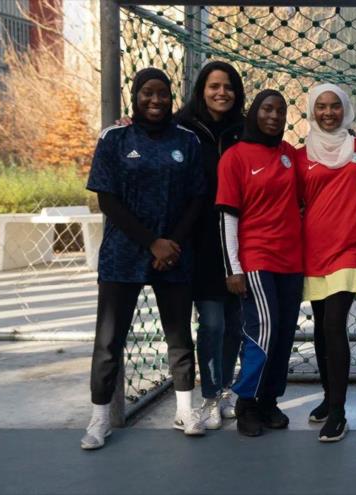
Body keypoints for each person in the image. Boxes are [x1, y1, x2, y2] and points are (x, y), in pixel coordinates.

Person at [81, 68, 206, 450]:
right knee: (109, 340)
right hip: (124, 254)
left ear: (172, 98)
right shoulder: (115, 137)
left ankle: (185, 408)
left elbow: (198, 198)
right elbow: (107, 199)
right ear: (134, 97)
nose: (155, 100)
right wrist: (152, 242)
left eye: (163, 94)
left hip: (174, 254)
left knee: (180, 336)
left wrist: (171, 244)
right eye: (147, 94)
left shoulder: (187, 140)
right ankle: (99, 418)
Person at [216, 89, 303, 437]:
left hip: (291, 260)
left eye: (281, 111)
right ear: (254, 113)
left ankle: (269, 400)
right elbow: (226, 217)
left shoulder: (289, 155)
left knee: (283, 334)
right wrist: (232, 268)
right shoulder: (235, 157)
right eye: (267, 109)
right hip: (256, 258)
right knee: (262, 329)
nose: (274, 116)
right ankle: (246, 401)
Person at [295, 83, 356, 442]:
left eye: (334, 106)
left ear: (345, 109)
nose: (328, 113)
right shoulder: (299, 156)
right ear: (312, 111)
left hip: (349, 249)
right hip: (312, 249)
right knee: (320, 327)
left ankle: (339, 412)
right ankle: (329, 397)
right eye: (321, 107)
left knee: (334, 324)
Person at [174, 61, 246, 428]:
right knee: (212, 322)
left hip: (237, 238)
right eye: (214, 86)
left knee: (235, 324)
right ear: (202, 89)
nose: (222, 92)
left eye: (229, 86)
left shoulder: (244, 131)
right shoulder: (182, 127)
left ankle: (226, 390)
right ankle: (208, 395)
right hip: (199, 239)